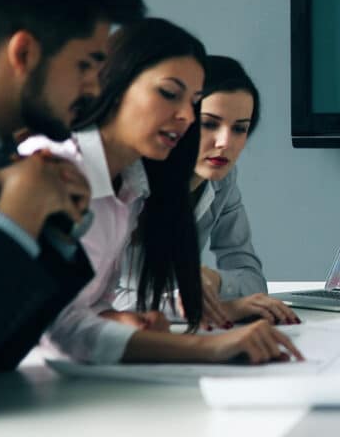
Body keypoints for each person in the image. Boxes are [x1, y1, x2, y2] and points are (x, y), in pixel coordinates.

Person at [26, 18, 302, 364]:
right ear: (115, 82)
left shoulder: (130, 187)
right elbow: (53, 325)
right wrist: (210, 347)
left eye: (193, 102)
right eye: (169, 94)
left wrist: (118, 318)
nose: (185, 116)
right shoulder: (52, 169)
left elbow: (80, 311)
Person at [0, 0, 145, 370]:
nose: (96, 89)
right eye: (86, 64)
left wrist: (54, 233)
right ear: (25, 54)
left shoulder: (9, 166)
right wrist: (15, 220)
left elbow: (1, 353)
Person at [112, 55, 299, 329]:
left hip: (169, 331)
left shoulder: (222, 179)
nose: (225, 143)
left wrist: (213, 279)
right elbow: (103, 301)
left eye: (240, 129)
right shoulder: (130, 181)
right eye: (210, 124)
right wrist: (219, 308)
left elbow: (252, 279)